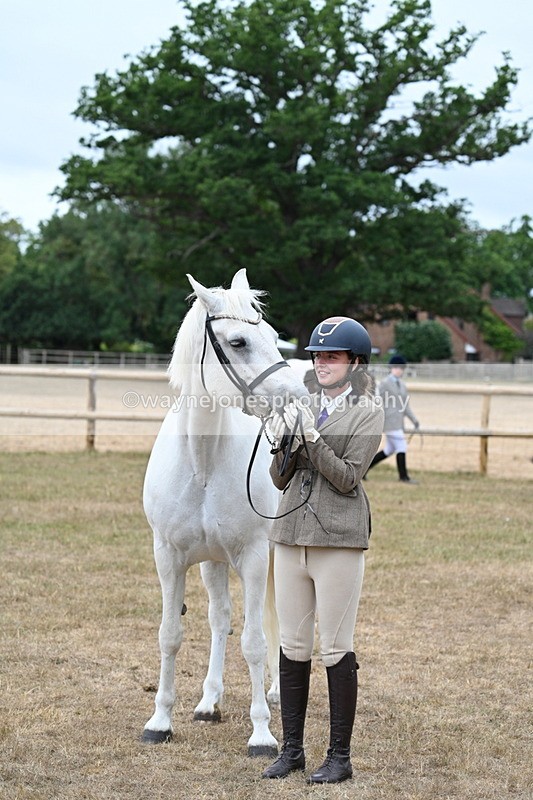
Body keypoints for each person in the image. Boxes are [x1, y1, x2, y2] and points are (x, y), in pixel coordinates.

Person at [262, 316, 384, 784]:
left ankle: (339, 756)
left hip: (339, 538)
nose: (322, 362)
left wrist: (311, 439)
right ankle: (291, 749)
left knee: (334, 646)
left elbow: (348, 477)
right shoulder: (302, 404)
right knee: (293, 645)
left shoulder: (369, 412)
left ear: (354, 362)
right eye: (318, 355)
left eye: (332, 356)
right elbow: (278, 479)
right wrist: (284, 442)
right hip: (290, 534)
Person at [366, 354, 419, 483]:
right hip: (389, 422)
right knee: (401, 446)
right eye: (396, 367)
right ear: (391, 368)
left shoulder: (402, 385)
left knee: (389, 450)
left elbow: (405, 405)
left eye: (401, 368)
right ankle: (403, 476)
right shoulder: (384, 384)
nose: (399, 370)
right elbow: (376, 401)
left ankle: (363, 470)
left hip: (398, 422)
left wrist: (414, 420)